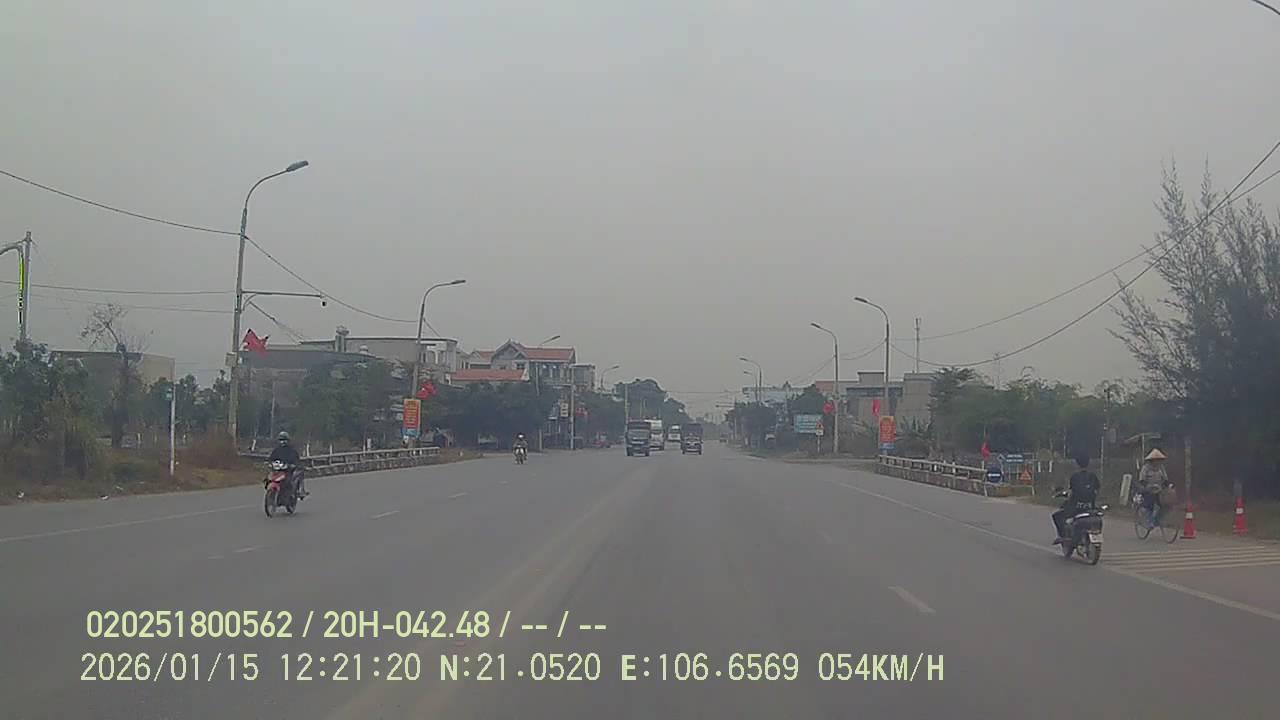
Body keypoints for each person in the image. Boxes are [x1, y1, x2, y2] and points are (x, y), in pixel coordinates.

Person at [1053, 455, 1100, 544]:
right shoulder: (1093, 476)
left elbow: (1071, 492)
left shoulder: (1075, 477)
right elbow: (1097, 490)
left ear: (1077, 464)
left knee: (1057, 516)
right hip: (1091, 507)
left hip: (1076, 508)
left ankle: (1063, 536)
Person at [1137, 448, 1170, 529]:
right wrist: (1146, 485)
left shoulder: (1161, 468)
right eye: (1156, 460)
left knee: (1164, 506)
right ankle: (1148, 522)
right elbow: (1142, 479)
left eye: (1159, 460)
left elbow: (1165, 478)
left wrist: (1167, 484)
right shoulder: (1146, 467)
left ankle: (1156, 520)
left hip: (1158, 490)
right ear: (1152, 460)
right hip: (1148, 490)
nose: (1157, 462)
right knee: (1150, 506)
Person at [268, 431, 306, 499]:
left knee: (296, 476)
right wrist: (270, 463)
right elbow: (271, 458)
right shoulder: (276, 450)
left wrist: (294, 464)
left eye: (284, 440)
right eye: (281, 440)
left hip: (288, 471)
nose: (282, 442)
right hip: (278, 470)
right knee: (269, 478)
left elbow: (296, 459)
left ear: (288, 440)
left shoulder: (292, 450)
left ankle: (299, 492)